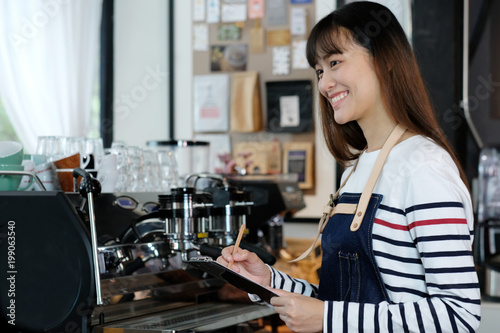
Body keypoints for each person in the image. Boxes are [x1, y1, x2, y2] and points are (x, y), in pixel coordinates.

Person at [217, 1, 481, 332]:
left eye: (335, 62)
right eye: (319, 70)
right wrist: (267, 281)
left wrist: (328, 318)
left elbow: (460, 315)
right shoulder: (354, 171)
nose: (325, 84)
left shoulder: (423, 167)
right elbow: (341, 303)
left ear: (384, 60)